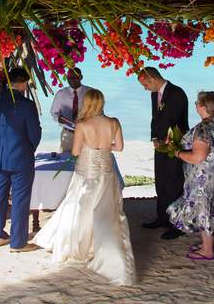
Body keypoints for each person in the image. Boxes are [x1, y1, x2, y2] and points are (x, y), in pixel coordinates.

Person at [33, 89, 136, 286]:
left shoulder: (82, 125)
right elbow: (120, 147)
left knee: (79, 206)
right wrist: (105, 148)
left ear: (87, 104)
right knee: (107, 210)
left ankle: (81, 245)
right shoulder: (114, 122)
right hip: (106, 170)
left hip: (86, 170)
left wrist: (91, 149)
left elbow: (75, 151)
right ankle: (102, 247)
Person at [167, 91, 214, 261]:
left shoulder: (203, 129)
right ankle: (207, 245)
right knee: (211, 209)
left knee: (204, 211)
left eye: (198, 102)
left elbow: (197, 157)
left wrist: (176, 152)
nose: (196, 104)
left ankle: (207, 250)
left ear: (204, 107)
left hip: (204, 178)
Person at [0, 67, 41, 252]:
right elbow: (34, 133)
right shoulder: (26, 104)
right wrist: (30, 148)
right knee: (20, 199)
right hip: (20, 157)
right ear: (23, 83)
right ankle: (18, 242)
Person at [137, 66, 189, 239]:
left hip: (175, 144)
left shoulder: (176, 93)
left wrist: (168, 142)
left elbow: (174, 121)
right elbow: (155, 119)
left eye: (145, 85)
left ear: (152, 79)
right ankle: (162, 218)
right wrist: (154, 139)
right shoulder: (155, 94)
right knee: (161, 182)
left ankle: (176, 224)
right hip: (160, 145)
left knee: (174, 184)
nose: (145, 89)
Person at [49, 68, 95, 153]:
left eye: (75, 78)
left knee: (86, 161)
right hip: (67, 134)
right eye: (70, 78)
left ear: (81, 77)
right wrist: (59, 119)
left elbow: (98, 112)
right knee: (66, 162)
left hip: (87, 133)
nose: (72, 80)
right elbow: (54, 112)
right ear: (67, 78)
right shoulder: (61, 94)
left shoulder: (91, 92)